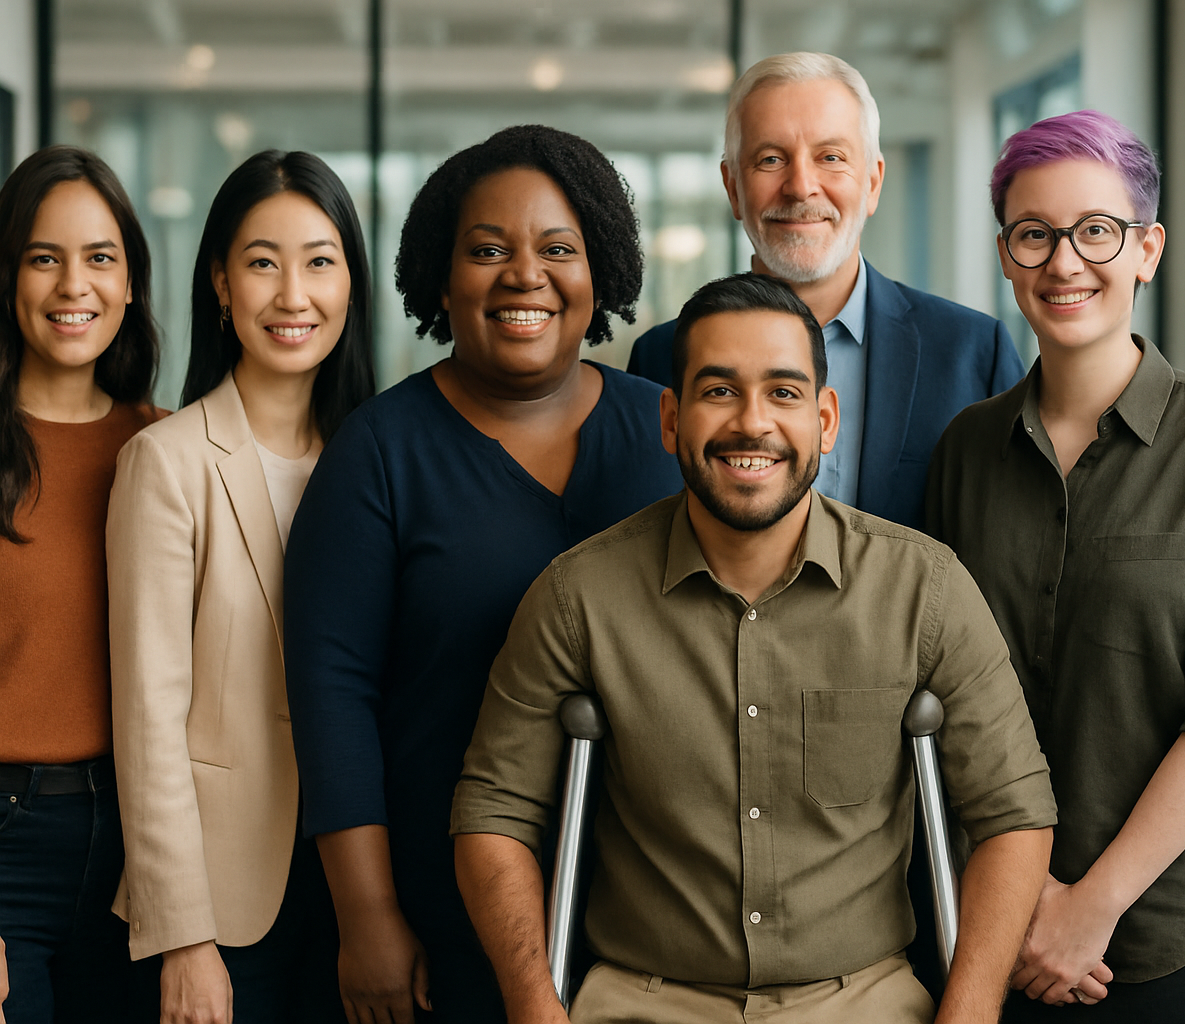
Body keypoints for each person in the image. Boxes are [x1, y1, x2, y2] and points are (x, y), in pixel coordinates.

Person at [452, 272, 1057, 1024]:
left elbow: (1013, 812)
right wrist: (534, 1007)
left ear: (825, 419)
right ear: (670, 419)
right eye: (718, 391)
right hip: (641, 1002)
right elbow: (494, 812)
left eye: (783, 392)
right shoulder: (579, 598)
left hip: (862, 1000)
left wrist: (967, 1015)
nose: (751, 423)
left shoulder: (924, 590)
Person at [283, 124, 683, 1023]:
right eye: (488, 250)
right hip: (434, 915)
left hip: (646, 921)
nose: (524, 276)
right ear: (441, 277)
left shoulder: (665, 433)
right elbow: (330, 693)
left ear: (601, 272)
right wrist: (369, 914)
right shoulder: (379, 453)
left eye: (558, 249)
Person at [926, 111, 1185, 1023]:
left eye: (1096, 231)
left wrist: (1087, 909)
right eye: (1034, 235)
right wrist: (1026, 901)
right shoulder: (966, 452)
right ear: (1006, 256)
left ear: (1147, 248)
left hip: (1182, 935)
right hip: (995, 926)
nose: (1064, 263)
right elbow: (932, 694)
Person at [106, 150, 374, 1024]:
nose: (293, 295)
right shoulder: (166, 463)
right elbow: (148, 719)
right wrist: (182, 938)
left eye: (320, 261)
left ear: (351, 283)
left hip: (360, 890)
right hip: (225, 904)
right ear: (220, 283)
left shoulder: (380, 462)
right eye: (263, 262)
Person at [626, 52, 1024, 530]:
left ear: (873, 183)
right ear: (733, 188)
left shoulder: (973, 354)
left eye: (830, 157)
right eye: (770, 159)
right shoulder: (658, 358)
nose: (801, 187)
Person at [0, 145, 161, 1024]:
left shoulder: (165, 448)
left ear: (130, 281)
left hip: (139, 852)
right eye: (43, 257)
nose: (75, 285)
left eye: (100, 257)